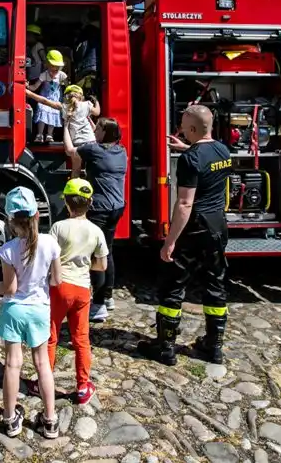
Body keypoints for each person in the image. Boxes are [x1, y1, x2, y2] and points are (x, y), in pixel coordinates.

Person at [139, 105, 232, 366]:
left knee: (173, 284)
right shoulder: (223, 150)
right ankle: (213, 348)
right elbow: (207, 162)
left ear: (192, 129)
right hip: (218, 226)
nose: (180, 128)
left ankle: (165, 348)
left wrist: (170, 241)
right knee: (215, 284)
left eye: (183, 124)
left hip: (195, 226)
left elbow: (184, 204)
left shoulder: (190, 160)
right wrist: (188, 148)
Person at [0, 187, 61, 439]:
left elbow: (9, 289)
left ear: (10, 221)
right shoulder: (50, 243)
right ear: (37, 215)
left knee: (13, 364)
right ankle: (50, 420)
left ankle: (10, 419)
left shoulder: (9, 250)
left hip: (14, 311)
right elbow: (56, 281)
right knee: (42, 364)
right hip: (39, 310)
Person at [38, 179, 108, 405]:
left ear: (67, 204)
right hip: (82, 288)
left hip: (59, 287)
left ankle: (44, 381)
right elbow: (102, 265)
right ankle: (82, 386)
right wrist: (85, 266)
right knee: (81, 339)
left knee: (51, 336)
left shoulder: (58, 227)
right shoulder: (96, 230)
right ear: (90, 202)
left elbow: (49, 257)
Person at [64, 117, 128, 321]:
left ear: (104, 133)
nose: (94, 130)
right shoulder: (121, 151)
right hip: (117, 207)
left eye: (98, 128)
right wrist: (91, 122)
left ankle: (98, 305)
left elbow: (70, 150)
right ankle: (108, 296)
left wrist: (66, 125)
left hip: (99, 209)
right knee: (106, 250)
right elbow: (100, 136)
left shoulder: (93, 150)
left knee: (95, 256)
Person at [28, 84, 99, 149]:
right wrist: (96, 101)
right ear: (81, 97)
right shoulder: (87, 104)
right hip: (90, 139)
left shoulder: (63, 107)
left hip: (76, 142)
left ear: (65, 97)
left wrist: (29, 93)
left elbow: (44, 101)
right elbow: (97, 112)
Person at [29, 50, 68, 144]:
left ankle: (49, 135)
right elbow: (35, 87)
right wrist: (27, 87)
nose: (55, 69)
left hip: (55, 100)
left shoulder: (62, 75)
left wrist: (68, 97)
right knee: (42, 110)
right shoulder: (44, 75)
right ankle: (39, 134)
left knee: (53, 113)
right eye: (53, 66)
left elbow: (67, 88)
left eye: (57, 67)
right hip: (44, 98)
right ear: (47, 65)